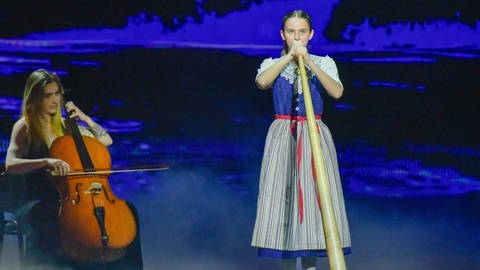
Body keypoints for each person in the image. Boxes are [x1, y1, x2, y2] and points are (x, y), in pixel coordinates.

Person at [4, 69, 142, 269]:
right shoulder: (25, 126)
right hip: (37, 198)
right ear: (35, 97)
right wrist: (46, 162)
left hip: (74, 197)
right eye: (48, 95)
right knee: (47, 217)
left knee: (129, 211)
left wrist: (85, 118)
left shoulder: (67, 126)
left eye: (57, 94)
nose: (54, 100)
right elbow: (10, 164)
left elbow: (106, 140)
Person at [251, 10, 351, 270]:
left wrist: (309, 63)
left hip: (314, 136)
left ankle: (311, 266)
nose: (297, 37)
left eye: (302, 32)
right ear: (283, 35)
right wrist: (289, 59)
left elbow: (337, 92)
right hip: (283, 137)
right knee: (284, 199)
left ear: (311, 35)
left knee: (316, 201)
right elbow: (262, 82)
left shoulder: (324, 62)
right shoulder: (271, 63)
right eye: (291, 32)